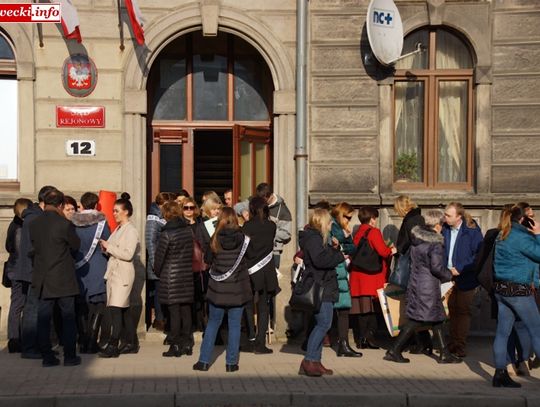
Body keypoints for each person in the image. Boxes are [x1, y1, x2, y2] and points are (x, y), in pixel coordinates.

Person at [384, 210, 461, 364]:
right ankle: (394, 350)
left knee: (437, 318)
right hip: (428, 287)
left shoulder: (417, 239)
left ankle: (444, 353)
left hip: (416, 283)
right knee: (416, 320)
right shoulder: (435, 243)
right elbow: (436, 267)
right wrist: (449, 274)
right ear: (438, 226)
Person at [193, 207, 252, 372]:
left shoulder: (215, 239)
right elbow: (249, 258)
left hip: (218, 289)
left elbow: (207, 260)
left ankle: (204, 361)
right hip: (237, 289)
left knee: (212, 324)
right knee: (234, 326)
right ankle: (231, 364)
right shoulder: (244, 239)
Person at [29, 189, 81, 367]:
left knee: (43, 318)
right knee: (68, 318)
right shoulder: (64, 224)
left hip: (43, 277)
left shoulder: (34, 223)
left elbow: (34, 247)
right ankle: (70, 356)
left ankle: (47, 357)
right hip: (63, 277)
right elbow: (75, 245)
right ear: (60, 205)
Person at [491, 205, 540, 387]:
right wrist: (538, 234)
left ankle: (500, 375)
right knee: (537, 331)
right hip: (519, 291)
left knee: (502, 333)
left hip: (501, 290)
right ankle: (502, 374)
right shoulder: (521, 237)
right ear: (522, 219)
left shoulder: (501, 233)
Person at [298, 208, 345, 377]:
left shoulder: (317, 238)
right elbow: (320, 260)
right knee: (323, 324)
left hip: (324, 284)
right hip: (320, 285)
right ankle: (309, 360)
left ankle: (315, 362)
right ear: (322, 222)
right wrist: (339, 256)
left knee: (322, 324)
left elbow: (323, 256)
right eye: (329, 222)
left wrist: (334, 248)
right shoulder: (313, 238)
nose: (331, 224)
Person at [13, 185, 57, 359]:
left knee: (37, 308)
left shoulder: (33, 217)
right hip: (33, 271)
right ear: (43, 202)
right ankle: (30, 347)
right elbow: (34, 248)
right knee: (32, 309)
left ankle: (36, 346)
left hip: (34, 270)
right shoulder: (35, 219)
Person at [98, 193, 140, 358]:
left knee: (116, 309)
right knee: (124, 310)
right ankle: (131, 342)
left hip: (122, 274)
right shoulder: (118, 229)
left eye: (117, 211)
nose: (114, 213)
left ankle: (113, 345)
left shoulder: (131, 230)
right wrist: (107, 248)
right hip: (114, 272)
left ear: (126, 212)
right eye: (113, 210)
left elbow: (128, 254)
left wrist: (109, 247)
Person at [349, 206, 396, 349]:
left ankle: (362, 339)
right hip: (371, 277)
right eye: (375, 218)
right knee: (373, 309)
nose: (375, 221)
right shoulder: (374, 232)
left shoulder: (357, 233)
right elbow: (383, 252)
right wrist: (392, 250)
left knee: (362, 310)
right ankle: (370, 338)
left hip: (357, 276)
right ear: (371, 219)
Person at [71, 192, 111, 353]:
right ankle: (92, 341)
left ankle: (82, 340)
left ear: (82, 204)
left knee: (81, 306)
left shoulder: (73, 224)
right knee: (99, 305)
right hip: (98, 267)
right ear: (96, 205)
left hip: (79, 268)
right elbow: (107, 243)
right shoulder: (101, 224)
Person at [154, 201, 194, 357]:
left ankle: (175, 345)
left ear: (166, 214)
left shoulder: (166, 233)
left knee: (174, 313)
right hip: (186, 275)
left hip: (171, 277)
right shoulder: (187, 231)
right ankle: (187, 344)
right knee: (186, 311)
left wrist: (158, 272)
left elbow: (159, 258)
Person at [443, 202, 483, 357]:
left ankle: (460, 344)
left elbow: (478, 255)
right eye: (445, 214)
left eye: (448, 215)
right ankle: (452, 342)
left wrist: (460, 268)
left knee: (463, 310)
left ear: (458, 217)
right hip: (447, 277)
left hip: (466, 277)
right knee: (451, 310)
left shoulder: (472, 232)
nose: (445, 217)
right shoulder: (445, 229)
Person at [242, 197, 280, 354]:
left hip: (251, 269)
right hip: (266, 270)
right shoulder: (271, 226)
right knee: (264, 307)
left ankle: (250, 338)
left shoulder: (247, 226)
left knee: (249, 305)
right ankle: (260, 343)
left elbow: (246, 248)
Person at [393, 195, 430, 354]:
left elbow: (413, 243)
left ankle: (419, 344)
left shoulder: (412, 220)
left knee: (415, 308)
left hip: (414, 270)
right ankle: (423, 343)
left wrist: (399, 249)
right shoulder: (415, 218)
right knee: (417, 308)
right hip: (417, 270)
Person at [330, 202, 362, 357]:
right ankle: (343, 345)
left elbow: (352, 248)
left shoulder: (341, 229)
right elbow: (336, 246)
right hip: (335, 272)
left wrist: (346, 241)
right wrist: (345, 239)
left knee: (341, 309)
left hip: (340, 272)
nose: (349, 221)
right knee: (336, 309)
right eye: (348, 217)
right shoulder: (333, 227)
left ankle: (343, 344)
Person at [4, 197, 33, 353]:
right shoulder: (23, 227)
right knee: (21, 305)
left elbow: (9, 247)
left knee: (16, 305)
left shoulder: (12, 225)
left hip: (14, 270)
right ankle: (16, 339)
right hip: (21, 271)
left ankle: (14, 339)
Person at [145, 192, 169, 331]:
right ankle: (159, 319)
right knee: (158, 292)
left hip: (164, 262)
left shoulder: (161, 217)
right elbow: (150, 241)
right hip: (158, 263)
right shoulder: (153, 219)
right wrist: (155, 263)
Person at [254, 183, 292, 268]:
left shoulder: (283, 211)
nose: (262, 203)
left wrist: (270, 230)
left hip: (273, 252)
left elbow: (286, 234)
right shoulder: (257, 202)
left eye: (264, 200)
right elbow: (239, 206)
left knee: (272, 280)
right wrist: (243, 211)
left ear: (270, 196)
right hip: (256, 250)